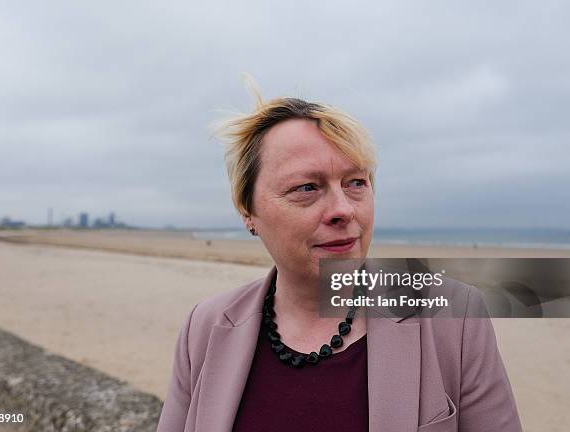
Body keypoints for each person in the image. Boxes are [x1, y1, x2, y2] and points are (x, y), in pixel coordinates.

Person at [156, 83, 522, 431]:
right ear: (248, 212)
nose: (343, 209)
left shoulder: (452, 316)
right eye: (307, 188)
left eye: (356, 183)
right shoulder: (205, 326)